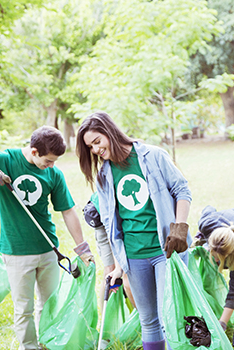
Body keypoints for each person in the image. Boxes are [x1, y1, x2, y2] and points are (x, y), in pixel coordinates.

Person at [0, 126, 95, 350]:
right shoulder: (5, 159)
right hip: (16, 251)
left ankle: (48, 343)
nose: (52, 166)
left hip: (48, 249)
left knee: (50, 304)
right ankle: (29, 347)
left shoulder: (53, 173)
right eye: (48, 160)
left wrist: (82, 248)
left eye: (55, 161)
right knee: (23, 307)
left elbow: (68, 211)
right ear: (34, 151)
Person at [76, 111, 192, 350]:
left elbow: (182, 190)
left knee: (169, 318)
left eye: (97, 141)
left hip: (165, 251)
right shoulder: (104, 176)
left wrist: (180, 227)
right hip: (134, 256)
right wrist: (119, 265)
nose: (96, 149)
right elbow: (113, 223)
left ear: (110, 132)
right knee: (148, 320)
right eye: (90, 146)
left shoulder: (153, 156)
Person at [197, 205, 234, 331]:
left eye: (221, 258)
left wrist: (222, 323)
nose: (217, 261)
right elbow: (208, 208)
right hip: (223, 218)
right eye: (215, 256)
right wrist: (200, 237)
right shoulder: (206, 224)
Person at [83, 191, 136, 308]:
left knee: (129, 270)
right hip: (104, 219)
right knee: (111, 272)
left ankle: (139, 317)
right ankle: (106, 320)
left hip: (125, 217)